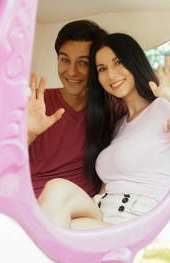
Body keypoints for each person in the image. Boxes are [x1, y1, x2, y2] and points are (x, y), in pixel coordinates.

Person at [38, 33, 170, 229]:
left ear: (134, 62)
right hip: (102, 212)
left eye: (118, 62)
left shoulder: (164, 110)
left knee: (54, 236)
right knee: (56, 188)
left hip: (134, 218)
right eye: (102, 69)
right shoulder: (119, 124)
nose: (110, 75)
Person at [28, 20, 127, 198]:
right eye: (65, 60)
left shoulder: (115, 110)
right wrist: (28, 133)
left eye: (83, 63)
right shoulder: (35, 104)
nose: (72, 72)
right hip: (29, 203)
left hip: (80, 209)